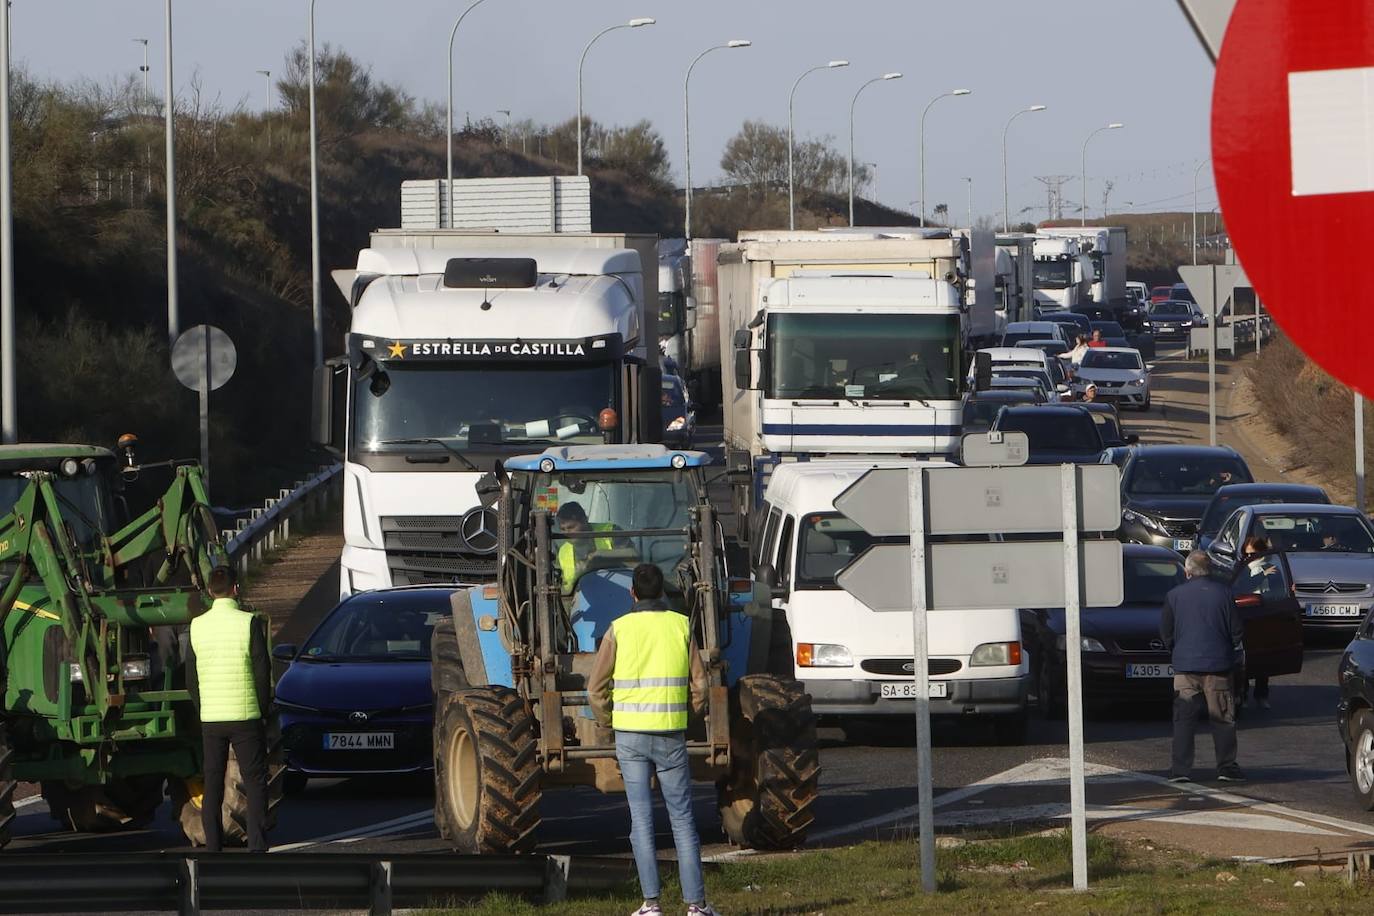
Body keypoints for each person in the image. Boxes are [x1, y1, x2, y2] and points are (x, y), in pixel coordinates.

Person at [589, 564, 715, 916]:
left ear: (632, 593)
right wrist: (687, 717)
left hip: (630, 736)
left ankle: (651, 905)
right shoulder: (680, 625)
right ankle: (696, 906)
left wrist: (607, 721)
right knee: (683, 820)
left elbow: (595, 688)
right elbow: (701, 686)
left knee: (641, 821)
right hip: (670, 735)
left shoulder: (619, 629)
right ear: (662, 593)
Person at [186, 565, 271, 852]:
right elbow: (262, 672)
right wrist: (262, 709)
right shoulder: (249, 623)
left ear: (210, 592)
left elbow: (190, 680)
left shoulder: (197, 626)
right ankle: (257, 846)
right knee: (255, 780)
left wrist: (204, 708)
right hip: (245, 716)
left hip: (212, 719)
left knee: (212, 783)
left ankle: (213, 848)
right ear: (236, 589)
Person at [1160, 550, 1246, 783]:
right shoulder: (1224, 594)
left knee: (1184, 720)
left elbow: (1166, 632)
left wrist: (1177, 651)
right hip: (1218, 666)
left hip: (1185, 667)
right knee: (1222, 718)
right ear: (1210, 570)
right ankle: (1226, 767)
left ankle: (1180, 770)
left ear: (1187, 572)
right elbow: (1237, 631)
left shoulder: (1174, 595)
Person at [1235, 536, 1276, 710]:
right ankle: (1242, 695)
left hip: (1264, 617)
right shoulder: (1242, 569)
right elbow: (1244, 586)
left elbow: (1277, 589)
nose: (1249, 556)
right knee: (1244, 659)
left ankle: (1261, 694)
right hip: (1246, 616)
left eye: (1253, 553)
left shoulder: (1271, 568)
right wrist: (1261, 575)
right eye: (1247, 553)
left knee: (1263, 659)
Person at [555, 502, 617, 594]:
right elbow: (562, 589)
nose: (567, 533)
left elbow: (633, 557)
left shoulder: (611, 532)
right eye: (563, 529)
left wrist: (600, 556)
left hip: (616, 592)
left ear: (584, 520)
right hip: (580, 600)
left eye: (571, 527)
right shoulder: (562, 552)